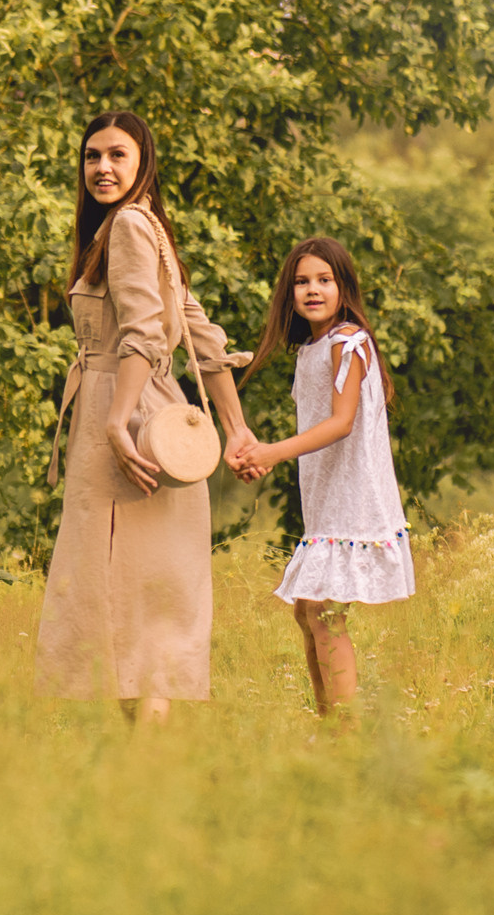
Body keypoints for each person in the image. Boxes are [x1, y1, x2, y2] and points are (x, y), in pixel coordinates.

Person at [35, 112, 260, 721]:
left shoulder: (130, 226)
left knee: (123, 608)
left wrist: (115, 421)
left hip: (126, 422)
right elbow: (202, 337)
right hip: (145, 417)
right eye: (91, 157)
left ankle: (145, 776)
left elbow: (142, 336)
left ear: (143, 163)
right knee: (141, 611)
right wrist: (236, 428)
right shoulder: (144, 226)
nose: (102, 168)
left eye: (117, 155)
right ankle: (147, 774)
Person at [231, 236, 415, 716]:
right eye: (301, 281)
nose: (312, 290)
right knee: (307, 609)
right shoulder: (311, 350)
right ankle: (330, 723)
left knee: (325, 613)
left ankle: (344, 733)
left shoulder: (348, 342)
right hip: (325, 498)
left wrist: (269, 453)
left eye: (324, 280)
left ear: (343, 286)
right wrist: (263, 455)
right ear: (289, 293)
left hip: (354, 497)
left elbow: (340, 422)